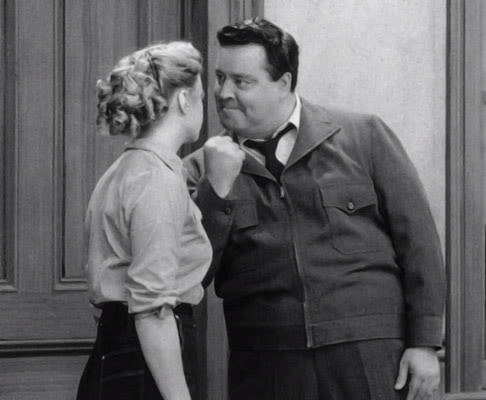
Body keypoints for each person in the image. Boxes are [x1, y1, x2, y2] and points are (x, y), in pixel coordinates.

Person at [185, 18, 446, 400]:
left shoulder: (363, 137)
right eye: (220, 78)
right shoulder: (199, 171)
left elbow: (419, 242)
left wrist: (425, 343)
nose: (224, 93)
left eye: (242, 81)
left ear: (284, 83)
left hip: (370, 356)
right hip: (268, 368)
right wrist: (217, 191)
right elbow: (190, 278)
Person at [77, 41, 210, 400]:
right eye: (201, 95)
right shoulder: (157, 180)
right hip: (146, 359)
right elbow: (151, 311)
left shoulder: (122, 171)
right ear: (185, 100)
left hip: (118, 351)